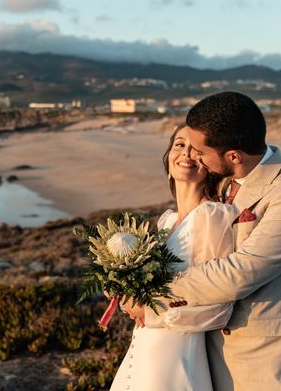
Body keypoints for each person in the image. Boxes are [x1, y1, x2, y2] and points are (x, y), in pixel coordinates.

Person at [141, 92, 281, 390]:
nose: (194, 157)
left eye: (200, 152)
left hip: (270, 361)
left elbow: (241, 272)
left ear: (233, 156)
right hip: (209, 352)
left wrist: (152, 297)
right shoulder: (224, 180)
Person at [110, 123, 240, 391]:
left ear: (211, 164)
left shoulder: (212, 217)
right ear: (168, 159)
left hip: (177, 356)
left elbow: (219, 306)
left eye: (197, 149)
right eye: (180, 145)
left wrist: (148, 309)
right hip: (146, 347)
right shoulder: (167, 222)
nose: (186, 154)